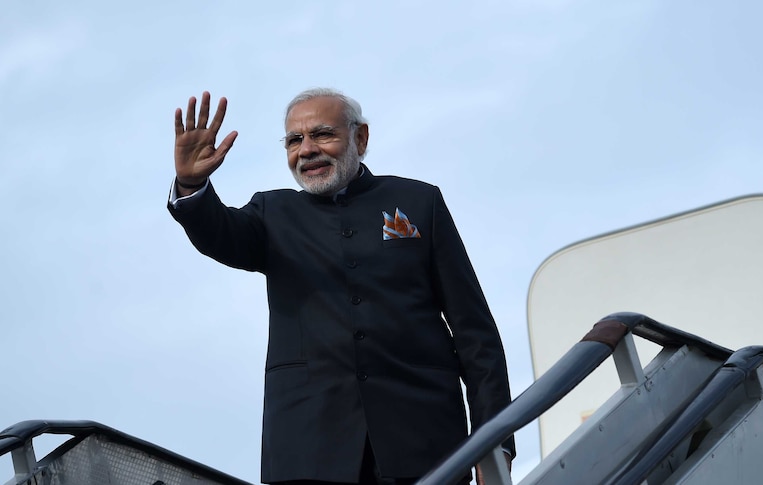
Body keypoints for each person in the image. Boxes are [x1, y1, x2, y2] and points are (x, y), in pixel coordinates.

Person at [167, 88, 515, 484]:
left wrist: (494, 440)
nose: (307, 149)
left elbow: (475, 334)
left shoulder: (419, 202)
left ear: (360, 138)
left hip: (426, 444)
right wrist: (190, 186)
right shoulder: (271, 214)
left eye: (322, 134)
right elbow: (220, 233)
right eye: (295, 140)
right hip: (309, 451)